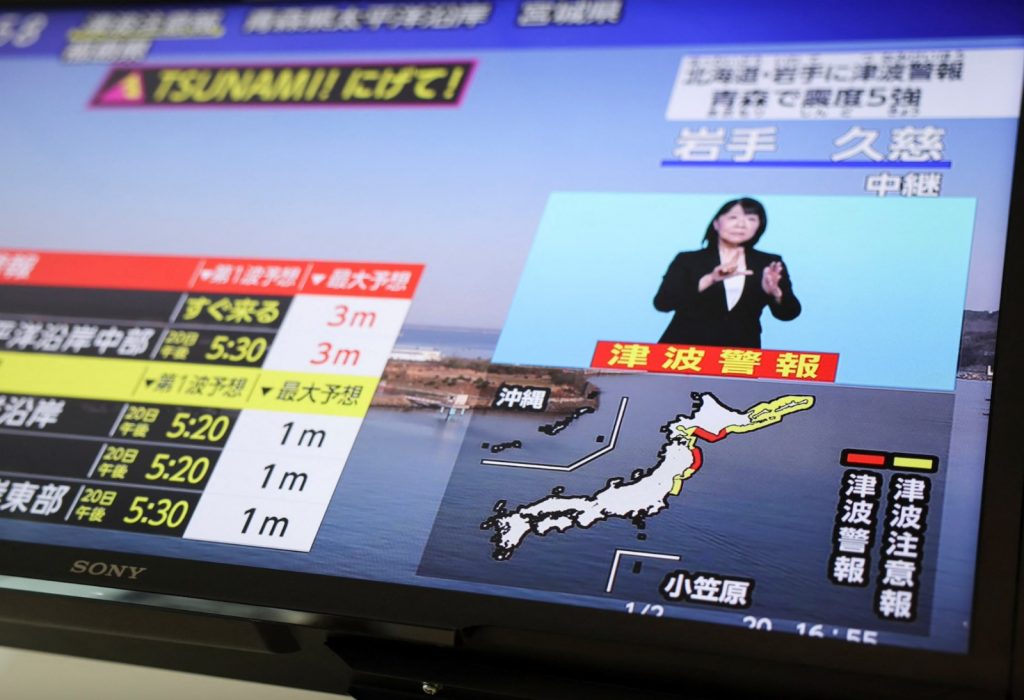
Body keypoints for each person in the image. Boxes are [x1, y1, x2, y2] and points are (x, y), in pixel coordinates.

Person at [653, 197, 800, 348]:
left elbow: (789, 313)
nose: (741, 224)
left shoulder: (769, 263)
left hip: (739, 353)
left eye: (751, 219)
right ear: (716, 223)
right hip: (685, 350)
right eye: (733, 217)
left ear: (759, 227)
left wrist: (776, 293)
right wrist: (710, 280)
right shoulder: (688, 260)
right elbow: (663, 303)